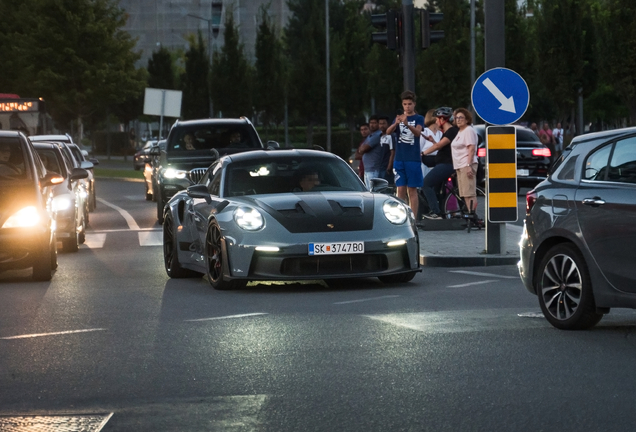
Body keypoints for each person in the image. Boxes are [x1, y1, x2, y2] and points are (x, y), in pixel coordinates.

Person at [385, 91, 424, 218]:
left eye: (410, 104)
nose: (407, 107)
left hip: (413, 159)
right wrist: (396, 123)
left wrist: (407, 124)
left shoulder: (419, 118)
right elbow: (388, 132)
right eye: (405, 104)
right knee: (400, 189)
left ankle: (413, 217)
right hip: (399, 158)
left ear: (414, 104)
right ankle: (399, 216)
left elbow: (418, 133)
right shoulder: (399, 118)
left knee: (412, 190)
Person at [420, 107, 459, 219]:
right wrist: (433, 141)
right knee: (436, 189)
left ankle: (435, 212)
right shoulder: (447, 132)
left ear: (443, 119)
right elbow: (443, 147)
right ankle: (440, 212)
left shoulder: (451, 131)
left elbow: (438, 146)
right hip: (443, 163)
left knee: (426, 184)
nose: (436, 122)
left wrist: (423, 153)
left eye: (437, 119)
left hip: (446, 165)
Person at [450, 108, 479, 214]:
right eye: (456, 118)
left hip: (466, 164)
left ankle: (473, 215)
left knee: (469, 193)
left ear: (467, 119)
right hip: (459, 166)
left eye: (461, 117)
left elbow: (471, 148)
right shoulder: (460, 132)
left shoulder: (468, 130)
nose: (458, 120)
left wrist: (468, 165)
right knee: (464, 193)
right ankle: (471, 214)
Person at [357, 115, 383, 189]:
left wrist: (362, 149)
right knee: (369, 191)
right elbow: (359, 150)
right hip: (367, 169)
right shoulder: (370, 136)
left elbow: (364, 148)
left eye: (374, 123)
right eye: (371, 123)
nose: (372, 125)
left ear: (378, 124)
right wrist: (361, 149)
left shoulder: (377, 135)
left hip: (374, 169)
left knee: (373, 192)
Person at [420, 109, 442, 179]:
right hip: (425, 163)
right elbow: (420, 148)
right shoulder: (424, 132)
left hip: (438, 162)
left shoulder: (440, 133)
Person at [378, 116, 395, 184]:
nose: (382, 125)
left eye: (384, 123)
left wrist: (389, 166)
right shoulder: (380, 136)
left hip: (386, 167)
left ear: (388, 124)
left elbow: (392, 152)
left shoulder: (390, 136)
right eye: (380, 123)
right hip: (381, 166)